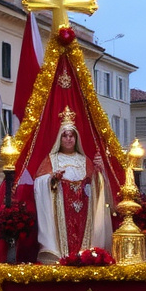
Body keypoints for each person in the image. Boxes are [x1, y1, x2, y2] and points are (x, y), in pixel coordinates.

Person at [33, 106, 112, 263]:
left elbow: (96, 185)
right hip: (61, 207)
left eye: (72, 136)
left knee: (84, 236)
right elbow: (39, 182)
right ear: (59, 139)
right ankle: (60, 256)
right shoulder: (52, 159)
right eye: (65, 136)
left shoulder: (85, 160)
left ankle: (85, 257)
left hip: (84, 208)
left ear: (76, 139)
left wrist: (99, 171)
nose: (68, 139)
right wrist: (52, 178)